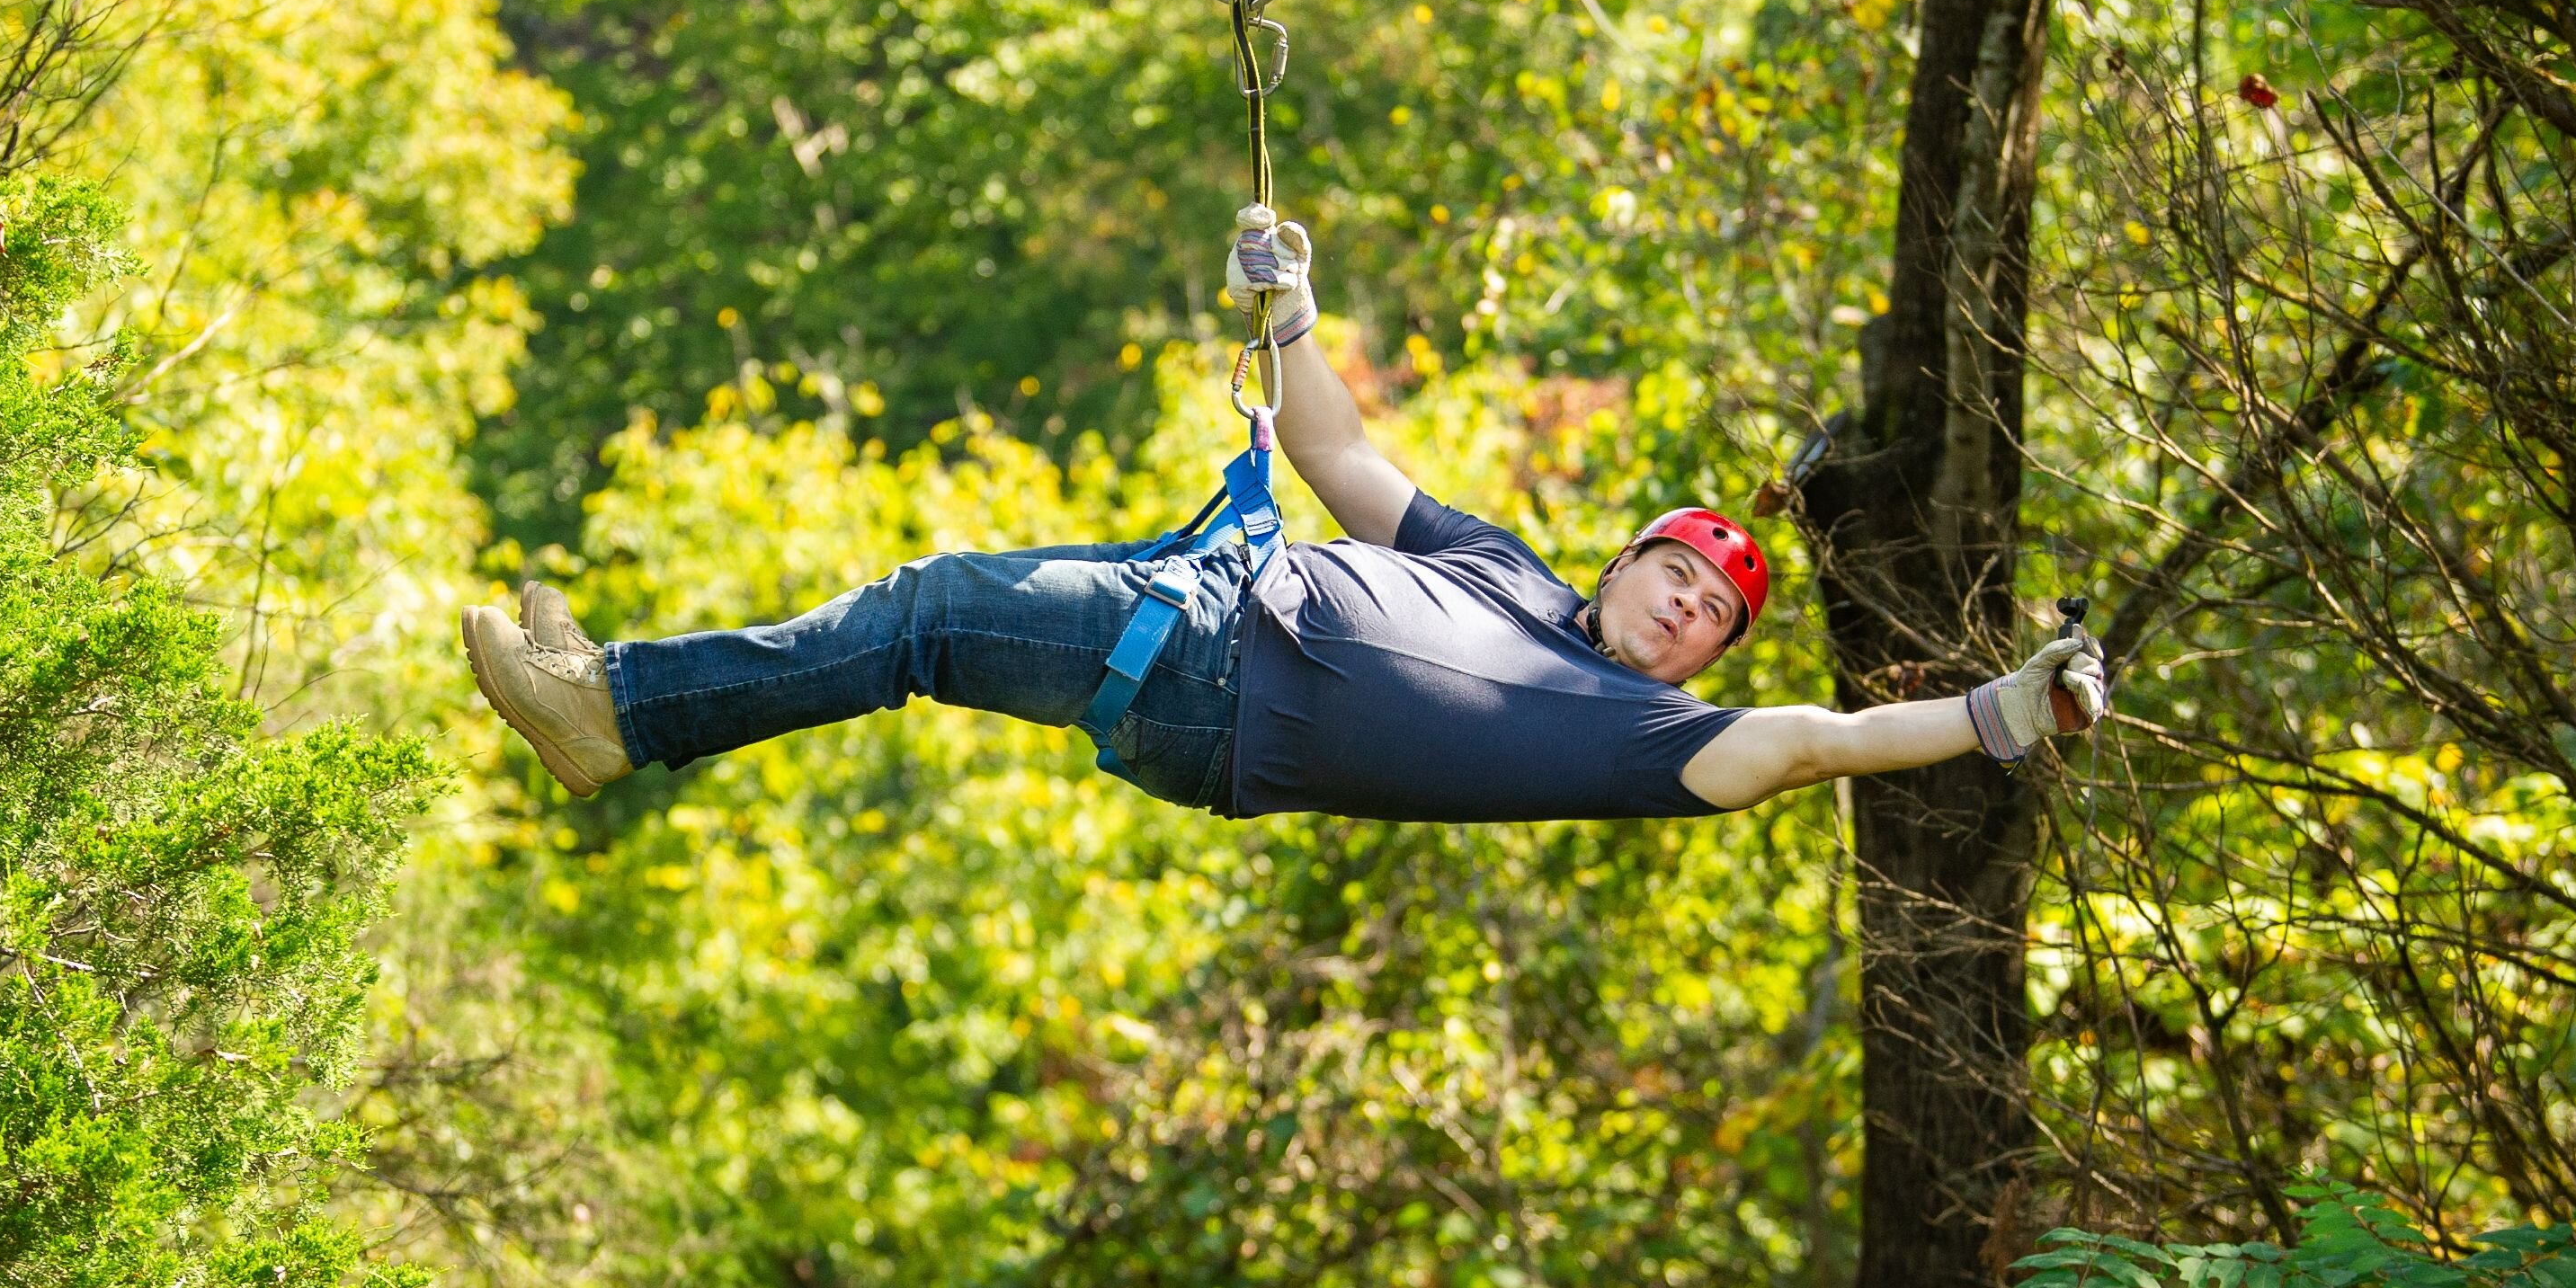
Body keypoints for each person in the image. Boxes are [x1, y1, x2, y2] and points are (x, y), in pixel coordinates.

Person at [462, 217, 2108, 818]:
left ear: (1699, 667)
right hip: (1198, 603)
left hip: (1208, 683)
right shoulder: (1501, 568)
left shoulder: (1649, 743)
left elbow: (1819, 742)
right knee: (926, 611)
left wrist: (1992, 714)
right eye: (1676, 578)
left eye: (1710, 620)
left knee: (923, 616)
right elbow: (1337, 459)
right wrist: (1298, 308)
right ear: (1624, 561)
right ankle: (626, 689)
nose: (1686, 611)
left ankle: (621, 713)